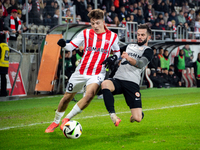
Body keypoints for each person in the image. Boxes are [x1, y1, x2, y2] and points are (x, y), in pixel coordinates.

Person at [45, 9, 120, 133]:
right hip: (81, 71)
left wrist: (113, 57)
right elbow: (71, 46)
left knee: (89, 95)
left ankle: (67, 119)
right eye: (92, 23)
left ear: (103, 22)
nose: (95, 26)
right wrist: (63, 44)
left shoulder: (112, 36)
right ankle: (55, 121)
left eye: (97, 23)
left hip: (98, 73)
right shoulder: (85, 33)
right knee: (66, 98)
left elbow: (117, 53)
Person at [101, 24, 153, 126]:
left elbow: (140, 64)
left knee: (137, 118)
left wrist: (128, 58)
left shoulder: (148, 51)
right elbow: (114, 51)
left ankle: (137, 114)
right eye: (138, 34)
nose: (139, 37)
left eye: (142, 35)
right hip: (118, 79)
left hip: (132, 83)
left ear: (148, 37)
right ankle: (113, 115)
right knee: (105, 84)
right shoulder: (128, 46)